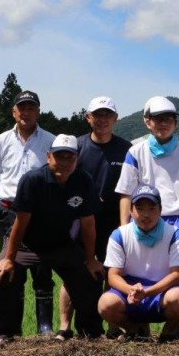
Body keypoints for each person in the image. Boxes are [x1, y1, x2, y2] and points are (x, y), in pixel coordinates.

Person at [0, 135, 105, 341]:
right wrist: (8, 258)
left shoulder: (83, 181)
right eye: (59, 156)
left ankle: (90, 332)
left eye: (70, 158)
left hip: (60, 243)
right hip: (26, 243)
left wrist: (91, 259)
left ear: (76, 160)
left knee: (89, 276)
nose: (65, 163)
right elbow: (19, 223)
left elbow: (88, 224)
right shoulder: (33, 180)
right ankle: (0, 333)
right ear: (49, 157)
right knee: (4, 274)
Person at [114, 96, 179, 338]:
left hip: (177, 219)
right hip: (142, 216)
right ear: (147, 122)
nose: (163, 123)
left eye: (168, 119)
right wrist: (124, 227)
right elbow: (125, 193)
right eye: (157, 119)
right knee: (136, 270)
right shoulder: (136, 152)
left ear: (175, 122)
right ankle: (138, 325)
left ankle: (174, 328)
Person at [57, 96, 133, 337]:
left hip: (112, 219)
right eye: (97, 115)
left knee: (113, 270)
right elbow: (64, 180)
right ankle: (65, 327)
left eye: (107, 115)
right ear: (88, 117)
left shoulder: (126, 149)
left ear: (115, 118)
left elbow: (129, 189)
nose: (102, 120)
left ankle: (112, 326)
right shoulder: (77, 147)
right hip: (79, 219)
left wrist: (125, 226)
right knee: (73, 270)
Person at [0, 90, 56, 335]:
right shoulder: (1, 141)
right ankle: (11, 328)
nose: (26, 112)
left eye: (31, 107)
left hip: (41, 214)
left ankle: (44, 327)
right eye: (22, 108)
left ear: (38, 111)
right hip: (9, 212)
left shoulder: (50, 140)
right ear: (14, 112)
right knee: (10, 268)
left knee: (42, 269)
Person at [97, 184, 179, 342]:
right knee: (105, 304)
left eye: (152, 208)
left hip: (161, 291)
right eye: (140, 208)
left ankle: (170, 332)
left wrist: (148, 292)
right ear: (131, 210)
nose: (146, 214)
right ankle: (135, 331)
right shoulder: (119, 234)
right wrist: (131, 290)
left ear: (160, 210)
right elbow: (113, 276)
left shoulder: (174, 234)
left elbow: (177, 275)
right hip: (130, 292)